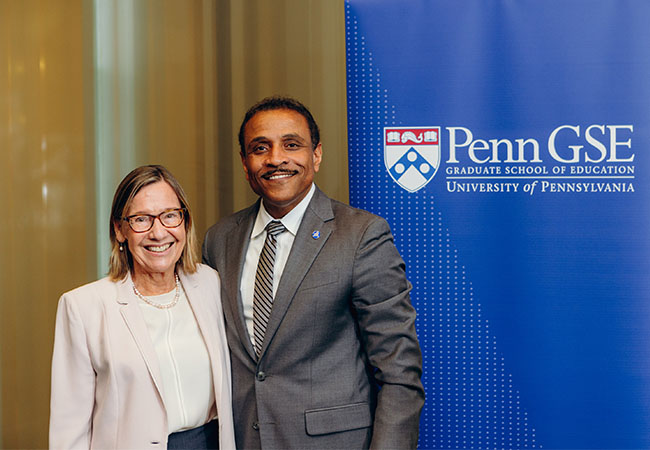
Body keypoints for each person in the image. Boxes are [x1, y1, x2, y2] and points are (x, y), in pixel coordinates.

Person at [202, 97, 424, 449]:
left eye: (292, 145)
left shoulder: (362, 235)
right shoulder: (220, 239)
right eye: (260, 148)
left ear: (316, 155)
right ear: (245, 164)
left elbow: (400, 372)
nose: (276, 158)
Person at [50, 165, 236, 449]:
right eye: (141, 219)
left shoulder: (210, 283)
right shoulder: (83, 307)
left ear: (185, 222)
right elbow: (69, 429)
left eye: (170, 216)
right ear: (120, 230)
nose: (158, 232)